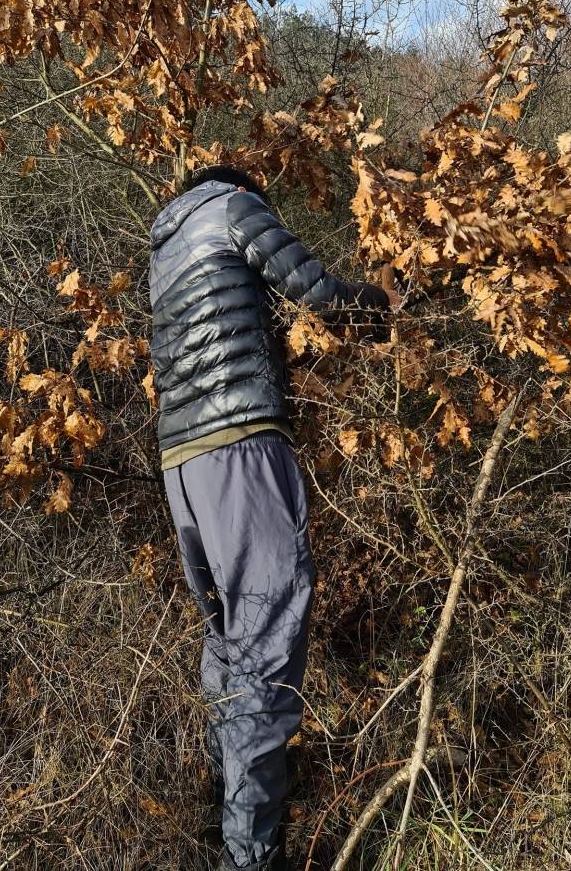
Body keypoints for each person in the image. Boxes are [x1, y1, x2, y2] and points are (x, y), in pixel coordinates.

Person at [148, 166, 398, 871]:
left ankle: (220, 810)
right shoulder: (235, 208)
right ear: (242, 188)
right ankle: (250, 857)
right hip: (242, 449)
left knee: (229, 640)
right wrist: (382, 305)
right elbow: (316, 290)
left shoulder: (164, 248)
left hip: (183, 464)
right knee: (265, 639)